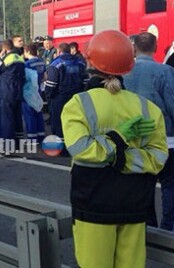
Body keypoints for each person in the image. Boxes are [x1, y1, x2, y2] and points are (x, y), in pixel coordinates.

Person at [62, 30, 168, 267]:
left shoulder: (79, 104)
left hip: (93, 204)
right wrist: (127, 159)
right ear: (129, 67)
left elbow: (81, 150)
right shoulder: (147, 108)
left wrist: (116, 148)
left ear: (90, 63)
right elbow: (159, 157)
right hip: (135, 205)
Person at [123, 32, 174, 231]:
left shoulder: (124, 71)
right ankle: (167, 226)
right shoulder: (165, 71)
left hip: (135, 139)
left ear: (134, 48)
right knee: (170, 184)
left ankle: (149, 225)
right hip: (166, 139)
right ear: (155, 48)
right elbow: (173, 104)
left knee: (144, 185)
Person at [44, 43, 88, 141]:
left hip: (59, 98)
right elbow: (85, 81)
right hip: (76, 97)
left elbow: (51, 84)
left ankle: (61, 146)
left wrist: (49, 96)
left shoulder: (56, 64)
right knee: (74, 121)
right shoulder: (80, 63)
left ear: (59, 51)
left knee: (59, 122)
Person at [0, 40, 25, 141]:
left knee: (7, 118)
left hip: (6, 91)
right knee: (17, 117)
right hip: (18, 91)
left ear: (5, 49)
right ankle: (19, 141)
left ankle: (8, 142)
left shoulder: (6, 58)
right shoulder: (20, 58)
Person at [22, 44, 46, 143]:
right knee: (38, 113)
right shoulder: (42, 62)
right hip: (38, 91)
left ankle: (32, 139)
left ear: (27, 51)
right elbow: (45, 77)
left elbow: (24, 79)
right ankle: (41, 136)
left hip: (29, 92)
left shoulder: (26, 64)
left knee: (30, 115)